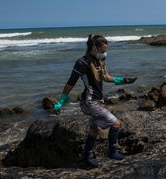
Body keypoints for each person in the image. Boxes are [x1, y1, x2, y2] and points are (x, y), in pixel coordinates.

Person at [52, 34, 137, 167]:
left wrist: (124, 80)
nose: (105, 53)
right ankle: (113, 152)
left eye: (106, 50)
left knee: (95, 130)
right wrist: (61, 101)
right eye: (102, 50)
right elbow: (70, 83)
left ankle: (86, 159)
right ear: (93, 47)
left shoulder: (99, 61)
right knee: (116, 124)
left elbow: (106, 77)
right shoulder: (82, 63)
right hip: (89, 102)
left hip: (97, 101)